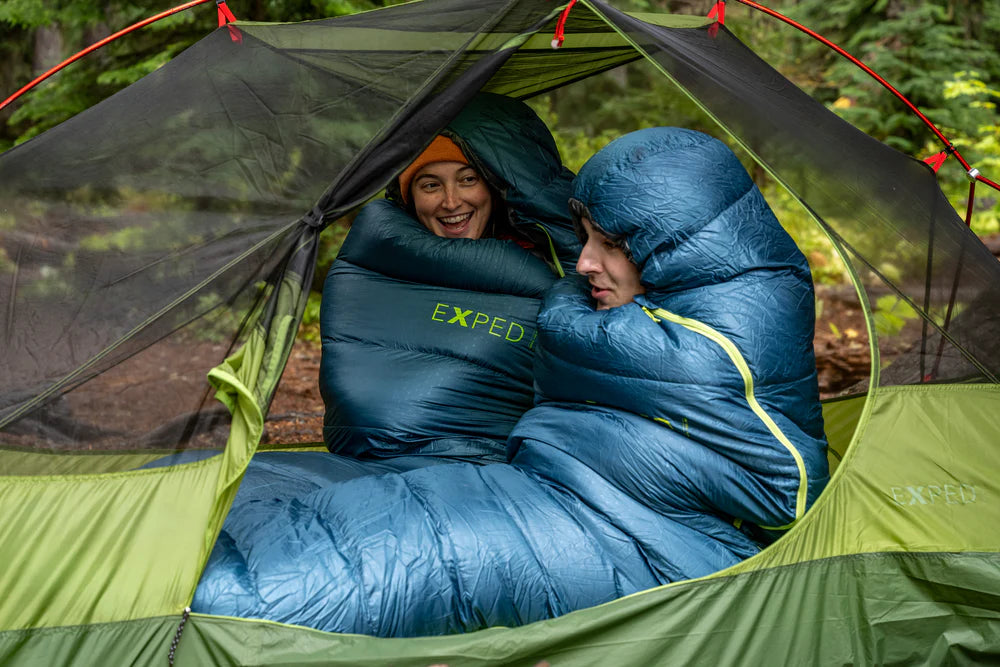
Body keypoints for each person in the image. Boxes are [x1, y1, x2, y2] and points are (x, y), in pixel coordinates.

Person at [192, 126, 829, 637]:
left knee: (325, 572)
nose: (584, 264)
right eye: (584, 239)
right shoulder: (617, 308)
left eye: (608, 244)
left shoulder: (724, 337)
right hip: (543, 487)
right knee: (248, 500)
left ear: (669, 247)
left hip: (651, 541)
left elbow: (782, 491)